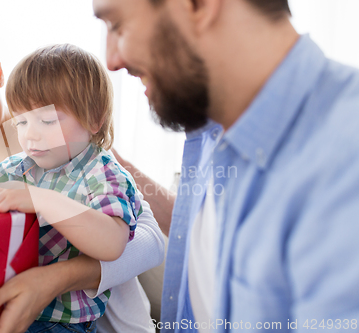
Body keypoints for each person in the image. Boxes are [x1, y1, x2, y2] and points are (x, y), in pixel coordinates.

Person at [92, 0, 359, 332]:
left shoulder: (344, 155)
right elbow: (197, 226)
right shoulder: (213, 130)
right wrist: (111, 161)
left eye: (118, 25)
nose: (111, 60)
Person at [0, 12, 164, 333]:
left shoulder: (64, 142)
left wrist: (53, 279)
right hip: (2, 301)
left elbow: (148, 241)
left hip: (79, 321)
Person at [0, 43, 143, 332]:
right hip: (4, 301)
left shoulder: (104, 174)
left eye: (47, 120)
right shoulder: (16, 168)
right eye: (22, 121)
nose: (31, 134)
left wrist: (41, 200)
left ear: (95, 119)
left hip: (60, 321)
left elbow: (112, 244)